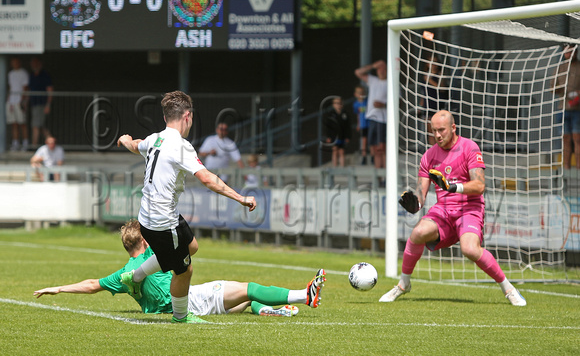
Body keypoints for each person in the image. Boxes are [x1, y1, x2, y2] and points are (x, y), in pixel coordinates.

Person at [117, 91, 257, 324]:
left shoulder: (155, 138)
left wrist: (124, 140)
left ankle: (136, 276)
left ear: (165, 118)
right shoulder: (181, 146)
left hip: (150, 218)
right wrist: (240, 198)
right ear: (188, 116)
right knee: (184, 270)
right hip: (162, 222)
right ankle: (181, 316)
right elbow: (208, 179)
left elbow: (136, 144)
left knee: (191, 246)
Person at [33, 220, 327, 317]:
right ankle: (305, 295)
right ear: (147, 240)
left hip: (179, 307)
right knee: (247, 288)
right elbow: (191, 250)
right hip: (192, 300)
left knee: (246, 299)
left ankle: (269, 310)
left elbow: (91, 285)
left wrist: (57, 288)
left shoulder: (124, 274)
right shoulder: (155, 257)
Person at [381, 110, 526, 306]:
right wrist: (415, 203)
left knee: (469, 249)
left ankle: (508, 288)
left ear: (453, 128)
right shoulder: (429, 156)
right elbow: (421, 192)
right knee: (418, 232)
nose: (438, 135)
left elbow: (480, 186)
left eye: (441, 130)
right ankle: (403, 284)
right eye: (434, 131)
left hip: (469, 208)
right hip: (444, 210)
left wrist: (452, 187)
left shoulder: (469, 148)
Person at [355, 60, 387, 170]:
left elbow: (399, 102)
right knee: (373, 149)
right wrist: (373, 65)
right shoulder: (373, 80)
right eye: (379, 69)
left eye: (384, 69)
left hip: (383, 119)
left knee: (382, 148)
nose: (381, 71)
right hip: (371, 118)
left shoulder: (391, 83)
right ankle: (378, 177)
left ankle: (386, 177)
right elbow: (358, 72)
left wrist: (383, 104)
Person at [554, 45, 580, 169]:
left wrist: (577, 96)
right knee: (566, 139)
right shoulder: (560, 67)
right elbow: (552, 86)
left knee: (577, 138)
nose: (570, 54)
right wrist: (559, 89)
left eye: (573, 51)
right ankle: (566, 167)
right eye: (568, 52)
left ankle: (579, 166)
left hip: (577, 109)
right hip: (563, 108)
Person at [420, 54, 449, 146]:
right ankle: (433, 152)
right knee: (430, 132)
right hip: (428, 106)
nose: (433, 64)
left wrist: (430, 80)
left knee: (440, 132)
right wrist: (420, 106)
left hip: (438, 106)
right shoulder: (425, 76)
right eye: (431, 62)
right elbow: (423, 92)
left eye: (435, 62)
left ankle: (441, 151)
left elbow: (442, 88)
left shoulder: (440, 75)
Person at [29, 57, 54, 147]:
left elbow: (50, 90)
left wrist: (48, 105)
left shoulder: (44, 75)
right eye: (32, 64)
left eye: (36, 63)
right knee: (41, 126)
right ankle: (51, 143)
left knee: (36, 125)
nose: (34, 66)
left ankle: (33, 145)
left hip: (41, 104)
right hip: (34, 104)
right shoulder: (32, 75)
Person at [6, 57, 29, 151]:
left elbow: (25, 88)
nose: (14, 64)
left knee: (22, 123)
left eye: (16, 62)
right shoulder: (10, 74)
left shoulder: (23, 73)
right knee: (14, 124)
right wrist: (9, 100)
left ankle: (25, 143)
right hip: (11, 101)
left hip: (20, 102)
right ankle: (15, 143)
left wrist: (22, 101)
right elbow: (11, 87)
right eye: (13, 62)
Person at [324, 96, 351, 167]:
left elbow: (347, 127)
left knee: (342, 151)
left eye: (340, 103)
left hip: (342, 135)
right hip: (334, 136)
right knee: (335, 151)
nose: (339, 105)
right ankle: (335, 167)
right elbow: (328, 127)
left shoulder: (345, 114)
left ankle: (342, 167)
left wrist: (348, 136)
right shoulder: (330, 114)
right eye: (337, 103)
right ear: (333, 104)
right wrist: (328, 136)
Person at [352, 85, 370, 165]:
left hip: (369, 123)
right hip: (363, 124)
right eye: (359, 93)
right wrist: (358, 124)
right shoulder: (356, 104)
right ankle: (364, 156)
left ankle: (372, 155)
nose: (361, 94)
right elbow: (358, 115)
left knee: (371, 140)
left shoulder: (367, 102)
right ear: (355, 94)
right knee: (364, 140)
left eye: (362, 92)